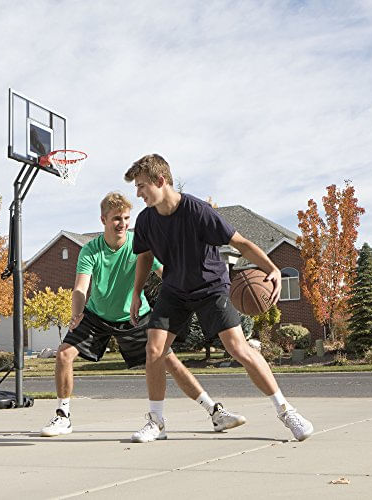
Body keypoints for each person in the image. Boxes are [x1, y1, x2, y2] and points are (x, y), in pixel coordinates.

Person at [124, 154, 314, 443]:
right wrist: (136, 293)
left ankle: (286, 411)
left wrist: (272, 267)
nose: (137, 193)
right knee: (154, 349)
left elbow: (240, 243)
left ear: (160, 181)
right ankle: (157, 421)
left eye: (141, 186)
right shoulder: (147, 219)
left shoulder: (198, 211)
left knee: (238, 348)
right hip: (174, 290)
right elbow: (145, 257)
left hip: (210, 287)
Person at [40, 192, 246, 438]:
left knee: (169, 360)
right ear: (103, 219)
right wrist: (76, 314)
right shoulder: (90, 250)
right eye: (116, 218)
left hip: (135, 316)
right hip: (96, 314)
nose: (123, 223)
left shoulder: (139, 244)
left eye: (126, 218)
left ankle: (215, 412)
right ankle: (63, 416)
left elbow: (165, 273)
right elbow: (80, 287)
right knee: (64, 354)